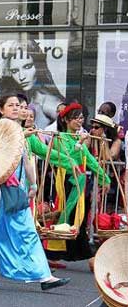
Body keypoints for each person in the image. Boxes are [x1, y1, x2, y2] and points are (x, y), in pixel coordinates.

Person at [0, 94, 70, 290]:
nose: (16, 108)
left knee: (26, 231)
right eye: (11, 105)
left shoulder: (20, 132)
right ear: (1, 110)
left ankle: (43, 275)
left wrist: (34, 185)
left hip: (15, 190)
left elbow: (26, 161)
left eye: (19, 105)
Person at [46, 103, 110, 263]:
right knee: (66, 216)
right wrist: (80, 144)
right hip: (67, 184)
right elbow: (67, 158)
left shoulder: (78, 137)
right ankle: (52, 253)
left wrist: (105, 178)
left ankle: (77, 252)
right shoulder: (59, 138)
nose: (80, 121)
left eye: (81, 118)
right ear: (66, 120)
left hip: (80, 182)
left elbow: (90, 161)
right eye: (76, 118)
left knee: (78, 217)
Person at [6, 40, 65, 128]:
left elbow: (67, 127)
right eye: (15, 71)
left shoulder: (47, 102)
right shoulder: (22, 99)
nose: (21, 77)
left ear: (38, 66)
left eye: (27, 67)